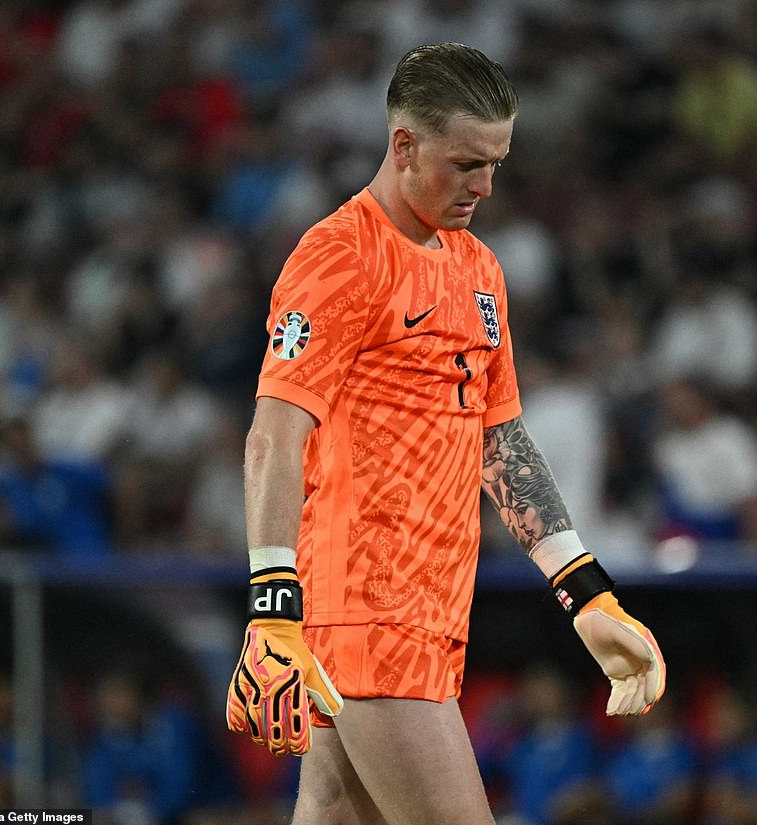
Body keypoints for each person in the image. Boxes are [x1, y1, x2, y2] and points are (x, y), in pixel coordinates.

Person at [226, 42, 666, 825]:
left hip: (431, 611)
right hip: (369, 613)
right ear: (405, 145)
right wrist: (271, 606)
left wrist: (584, 588)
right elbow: (272, 436)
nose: (484, 186)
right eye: (467, 163)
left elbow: (500, 442)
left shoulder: (478, 267)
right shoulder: (338, 258)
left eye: (496, 163)